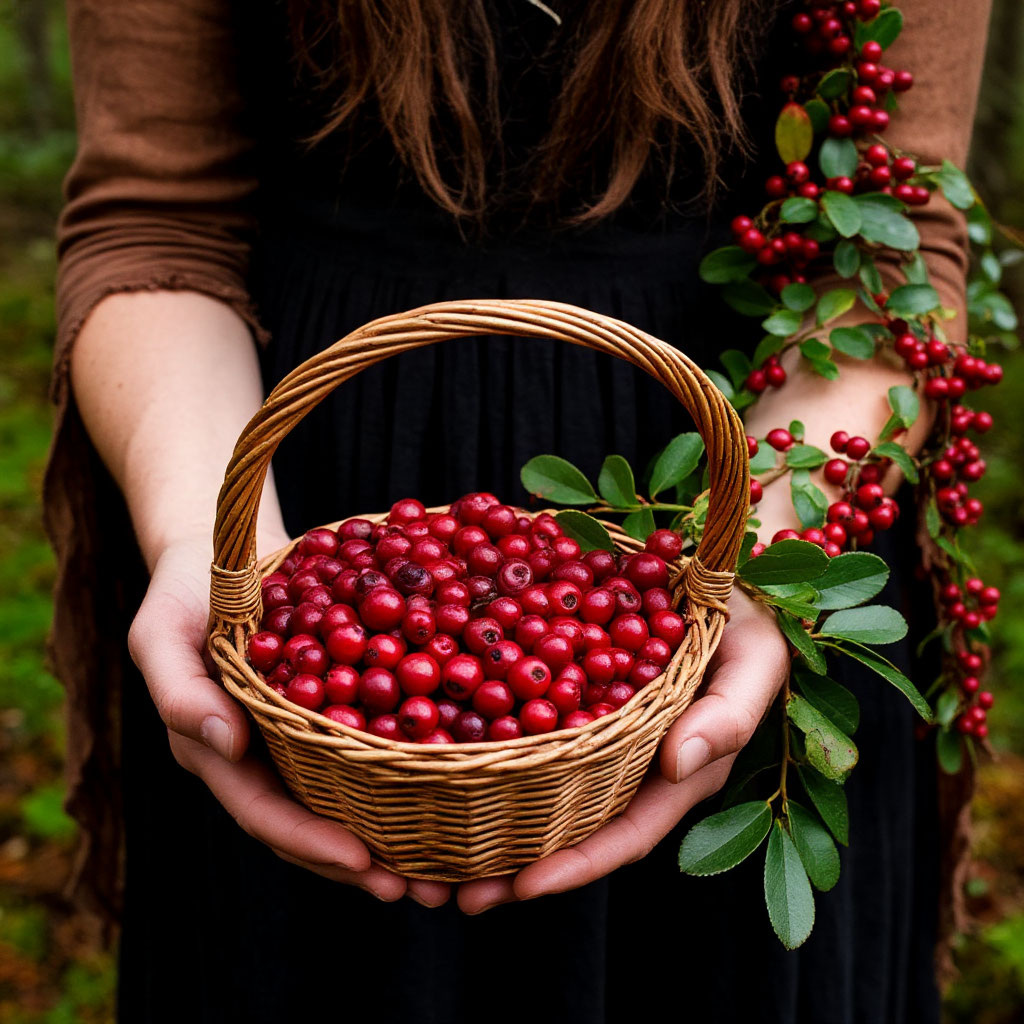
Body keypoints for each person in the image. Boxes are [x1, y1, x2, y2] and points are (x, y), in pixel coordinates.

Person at [45, 0, 990, 1020]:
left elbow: (892, 253)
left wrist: (750, 568)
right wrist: (209, 542)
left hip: (743, 466)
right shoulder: (282, 579)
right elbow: (154, 220)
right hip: (285, 460)